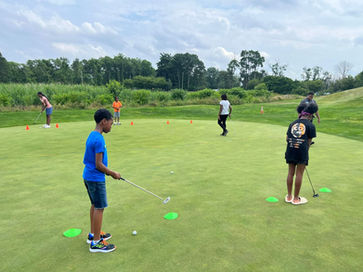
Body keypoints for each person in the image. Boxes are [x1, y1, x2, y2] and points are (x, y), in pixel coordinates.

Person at [83, 109, 121, 253]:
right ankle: (96, 243)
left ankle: (93, 234)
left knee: (94, 205)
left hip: (88, 176)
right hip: (95, 178)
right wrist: (112, 173)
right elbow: (99, 165)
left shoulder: (92, 135)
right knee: (99, 207)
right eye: (110, 123)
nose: (111, 126)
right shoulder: (99, 139)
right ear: (103, 121)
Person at [285, 102, 317, 205]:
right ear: (310, 115)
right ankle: (295, 199)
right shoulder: (310, 125)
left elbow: (287, 138)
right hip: (301, 151)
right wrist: (304, 154)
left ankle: (289, 196)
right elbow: (308, 142)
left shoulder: (292, 123)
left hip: (290, 149)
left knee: (290, 173)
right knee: (299, 173)